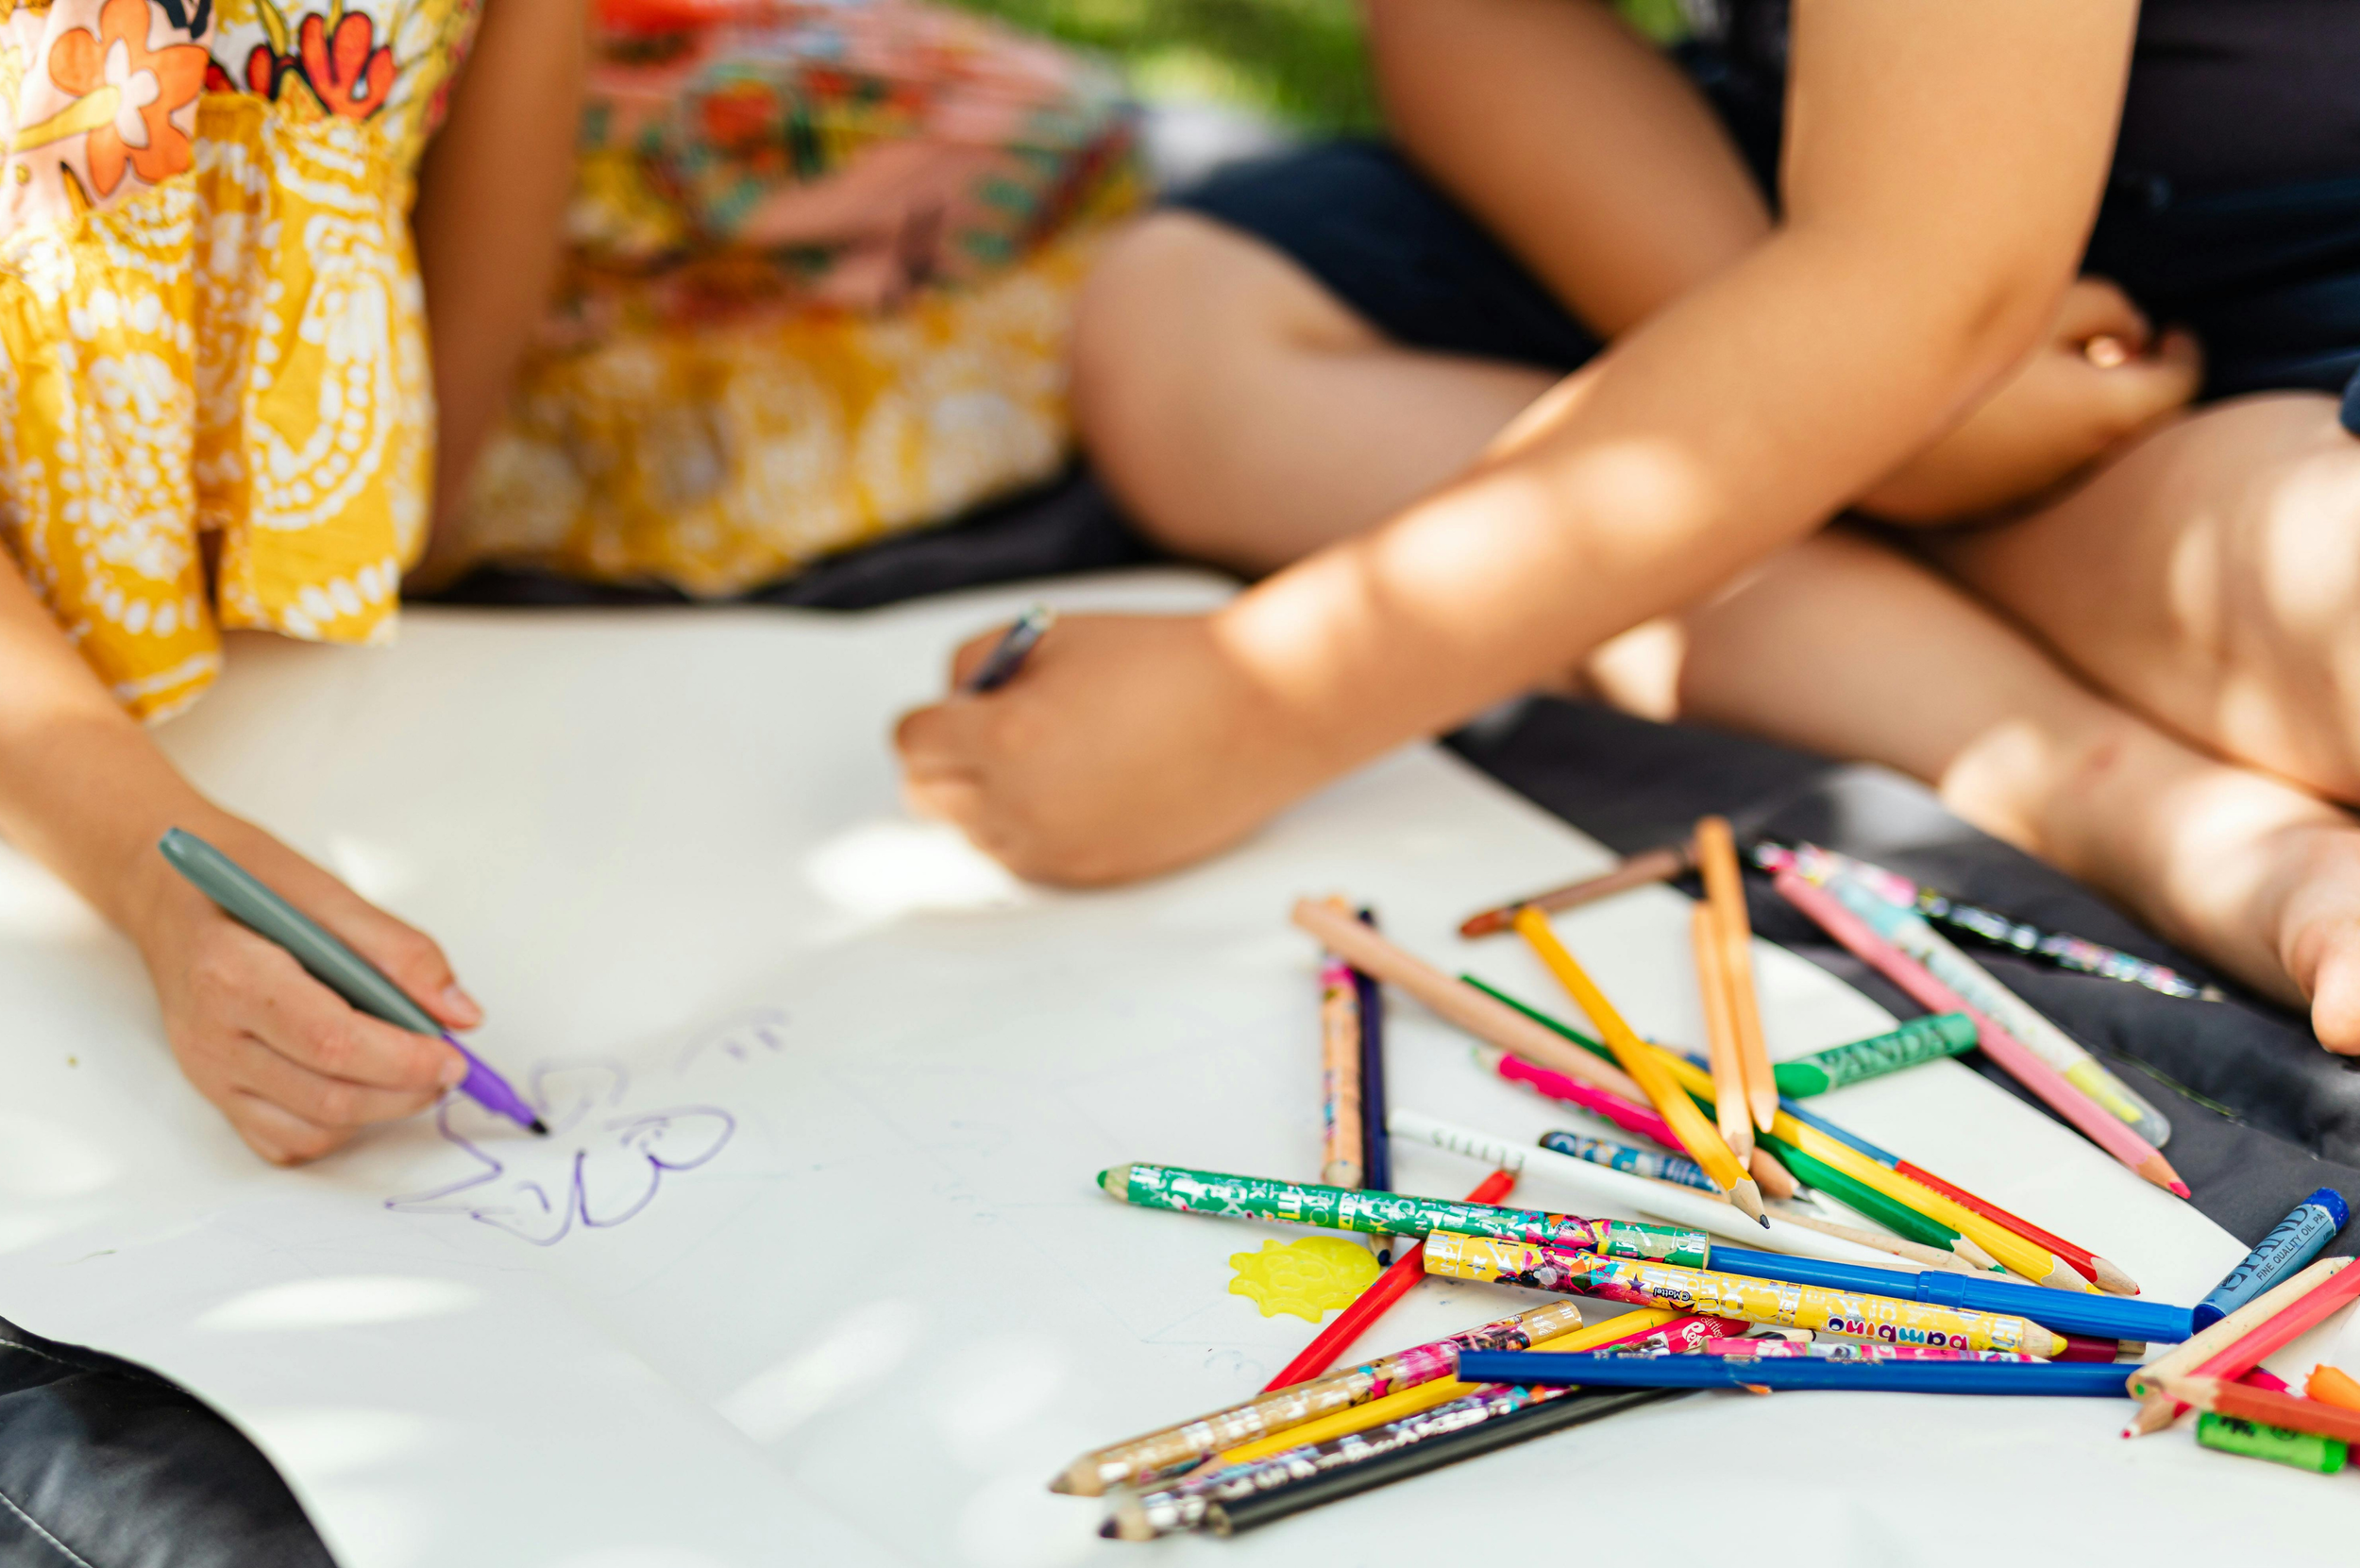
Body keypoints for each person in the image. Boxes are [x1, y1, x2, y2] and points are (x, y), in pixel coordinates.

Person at [893, 0, 2360, 1054]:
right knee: (1188, 332)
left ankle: (1783, 485)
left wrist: (1257, 696)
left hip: (2270, 263)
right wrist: (1854, 397)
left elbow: (1934, 281)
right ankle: (2133, 794)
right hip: (1798, 206)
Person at [0, 0, 1131, 1162]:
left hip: (373, 315)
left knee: (1061, 167)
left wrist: (396, 488)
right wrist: (149, 863)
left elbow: (436, 455)